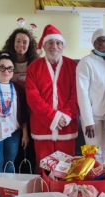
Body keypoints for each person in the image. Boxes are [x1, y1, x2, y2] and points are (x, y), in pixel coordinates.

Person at [25, 24, 78, 169]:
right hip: (42, 127)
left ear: (63, 46)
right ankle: (45, 191)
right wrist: (53, 117)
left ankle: (64, 192)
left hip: (66, 126)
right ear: (44, 45)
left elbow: (76, 94)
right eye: (50, 42)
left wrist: (66, 116)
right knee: (44, 167)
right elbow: (33, 98)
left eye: (58, 43)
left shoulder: (73, 66)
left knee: (66, 168)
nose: (54, 46)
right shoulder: (33, 68)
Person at [1, 28, 39, 173]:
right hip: (10, 112)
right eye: (18, 41)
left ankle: (27, 176)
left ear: (30, 45)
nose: (21, 45)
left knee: (29, 146)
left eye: (25, 42)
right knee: (13, 148)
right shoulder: (6, 62)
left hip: (30, 110)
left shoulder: (34, 63)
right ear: (13, 42)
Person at [76, 28, 105, 165]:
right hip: (93, 117)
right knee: (93, 153)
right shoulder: (86, 62)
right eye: (100, 40)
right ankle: (92, 182)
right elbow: (82, 93)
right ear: (93, 43)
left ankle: (101, 180)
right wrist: (88, 121)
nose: (103, 44)